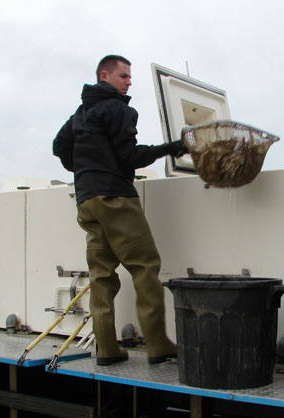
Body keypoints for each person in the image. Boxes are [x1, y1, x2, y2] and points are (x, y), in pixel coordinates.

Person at [53, 55, 187, 366]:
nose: (129, 82)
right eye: (124, 76)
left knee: (101, 275)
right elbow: (130, 157)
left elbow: (59, 147)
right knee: (144, 266)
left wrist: (85, 169)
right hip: (115, 197)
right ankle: (157, 344)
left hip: (86, 200)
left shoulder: (80, 112)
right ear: (104, 75)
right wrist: (172, 147)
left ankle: (107, 348)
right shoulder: (119, 109)